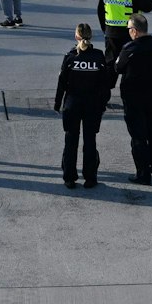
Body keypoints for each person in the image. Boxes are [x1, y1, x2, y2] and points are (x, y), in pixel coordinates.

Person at [55, 23, 115, 188]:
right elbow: (105, 84)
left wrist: (57, 103)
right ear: (91, 36)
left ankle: (69, 177)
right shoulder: (98, 56)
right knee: (90, 141)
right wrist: (103, 104)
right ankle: (90, 177)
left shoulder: (70, 57)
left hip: (72, 105)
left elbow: (61, 83)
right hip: (92, 105)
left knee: (70, 140)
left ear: (76, 37)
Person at [115, 13, 152, 185]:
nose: (128, 32)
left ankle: (143, 173)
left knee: (138, 136)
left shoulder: (129, 49)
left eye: (129, 29)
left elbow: (118, 67)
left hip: (133, 98)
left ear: (135, 31)